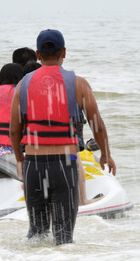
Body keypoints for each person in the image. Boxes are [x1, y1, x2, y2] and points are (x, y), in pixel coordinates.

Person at [10, 29, 116, 245]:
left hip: (33, 166)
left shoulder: (23, 85)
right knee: (64, 238)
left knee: (36, 235)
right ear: (64, 52)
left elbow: (13, 130)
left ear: (38, 55)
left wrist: (20, 161)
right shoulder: (78, 84)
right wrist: (105, 154)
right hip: (64, 165)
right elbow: (98, 125)